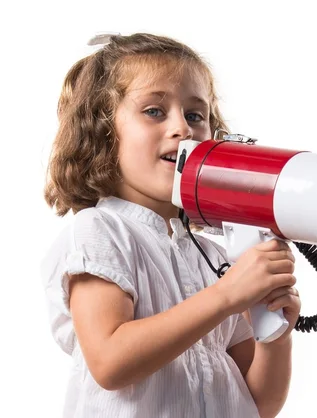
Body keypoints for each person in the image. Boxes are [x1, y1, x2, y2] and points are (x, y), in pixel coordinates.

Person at [40, 32, 301, 418]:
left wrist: (275, 334)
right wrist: (228, 295)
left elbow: (259, 403)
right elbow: (111, 362)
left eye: (196, 115)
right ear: (103, 135)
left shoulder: (216, 258)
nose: (183, 128)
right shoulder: (100, 231)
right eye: (154, 111)